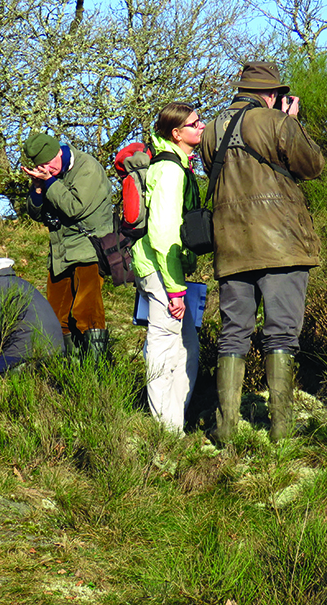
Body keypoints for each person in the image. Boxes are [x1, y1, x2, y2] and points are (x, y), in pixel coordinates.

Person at [199, 61, 325, 443]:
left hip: (232, 245)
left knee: (233, 335)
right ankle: (281, 430)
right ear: (271, 94)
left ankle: (226, 430)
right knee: (281, 335)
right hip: (281, 244)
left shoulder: (211, 131)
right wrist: (291, 122)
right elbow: (313, 165)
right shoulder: (275, 122)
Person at [132, 103, 204, 433]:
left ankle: (175, 425)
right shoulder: (171, 171)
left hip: (168, 271)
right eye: (195, 123)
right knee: (164, 348)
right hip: (161, 272)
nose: (201, 127)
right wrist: (175, 288)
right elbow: (162, 235)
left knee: (186, 346)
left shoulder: (179, 167)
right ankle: (167, 433)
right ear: (177, 134)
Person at [22, 132, 113, 361]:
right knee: (56, 316)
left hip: (89, 250)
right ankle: (67, 372)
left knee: (86, 311)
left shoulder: (87, 168)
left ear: (58, 152)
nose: (46, 169)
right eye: (40, 166)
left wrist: (50, 183)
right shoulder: (48, 176)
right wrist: (38, 188)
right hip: (60, 253)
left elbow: (74, 207)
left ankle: (95, 373)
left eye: (48, 164)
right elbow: (35, 213)